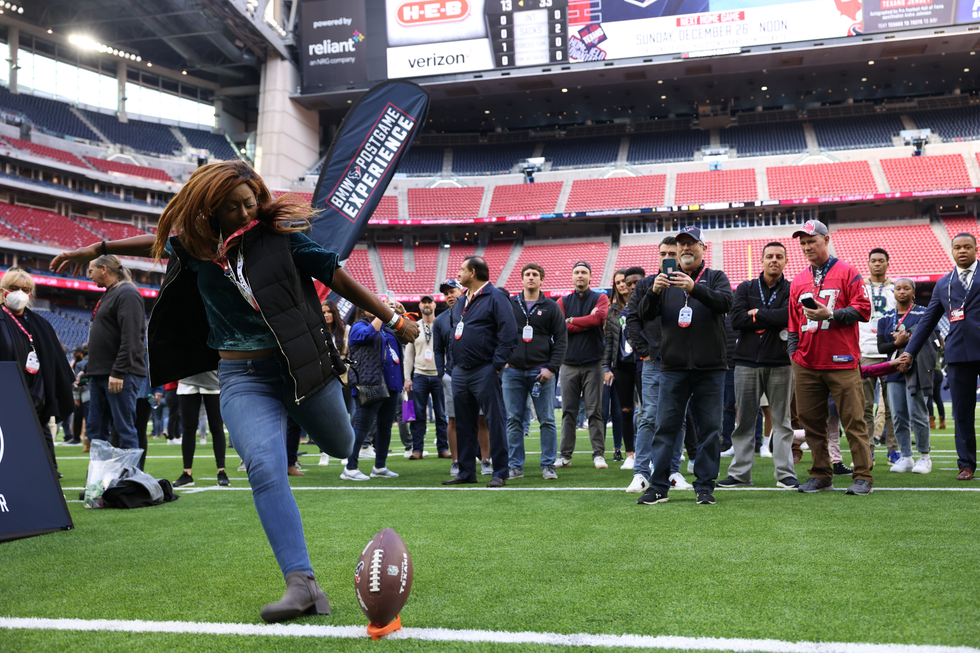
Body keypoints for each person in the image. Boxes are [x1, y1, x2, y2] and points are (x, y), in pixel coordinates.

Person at [50, 160, 419, 623]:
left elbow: (337, 277)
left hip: (300, 370)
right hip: (242, 378)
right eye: (233, 208)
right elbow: (159, 241)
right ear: (211, 211)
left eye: (250, 202)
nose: (246, 213)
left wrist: (394, 318)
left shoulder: (279, 237)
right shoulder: (197, 247)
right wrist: (99, 248)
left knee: (343, 444)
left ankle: (304, 426)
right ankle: (302, 584)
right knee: (264, 466)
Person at [633, 226, 732, 506]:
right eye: (682, 245)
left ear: (703, 247)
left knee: (710, 429)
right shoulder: (663, 282)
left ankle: (704, 486)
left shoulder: (715, 277)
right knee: (666, 427)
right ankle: (659, 486)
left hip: (710, 368)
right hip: (674, 367)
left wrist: (695, 288)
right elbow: (643, 314)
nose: (686, 248)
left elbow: (726, 302)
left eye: (692, 244)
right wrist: (652, 292)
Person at [787, 220, 874, 496]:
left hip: (842, 361)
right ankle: (821, 474)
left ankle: (863, 475)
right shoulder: (799, 280)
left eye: (811, 240)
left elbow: (863, 310)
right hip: (807, 362)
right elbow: (792, 325)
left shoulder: (847, 272)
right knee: (811, 424)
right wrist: (794, 356)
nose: (807, 246)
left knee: (854, 421)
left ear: (826, 239)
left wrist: (832, 315)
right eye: (802, 242)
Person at [900, 233, 980, 480]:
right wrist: (909, 351)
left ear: (976, 249)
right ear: (952, 251)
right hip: (958, 354)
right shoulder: (944, 283)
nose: (962, 251)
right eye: (957, 247)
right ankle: (966, 464)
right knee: (962, 411)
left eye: (967, 247)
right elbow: (926, 323)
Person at [720, 242, 799, 489]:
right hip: (745, 362)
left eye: (779, 256)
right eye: (769, 256)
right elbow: (738, 320)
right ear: (762, 260)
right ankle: (740, 474)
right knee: (743, 420)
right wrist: (770, 315)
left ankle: (785, 474)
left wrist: (759, 313)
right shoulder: (746, 287)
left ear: (785, 261)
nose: (774, 260)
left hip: (780, 362)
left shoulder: (792, 288)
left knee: (782, 421)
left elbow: (790, 316)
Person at [442, 256, 518, 488]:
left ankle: (500, 472)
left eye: (462, 269)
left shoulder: (496, 297)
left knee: (494, 421)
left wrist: (495, 365)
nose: (459, 273)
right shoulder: (462, 300)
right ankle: (466, 471)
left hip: (485, 369)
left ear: (473, 273)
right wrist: (454, 362)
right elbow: (456, 331)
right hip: (461, 371)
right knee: (464, 422)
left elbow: (509, 333)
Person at [626, 236, 694, 494]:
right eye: (663, 253)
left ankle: (672, 471)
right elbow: (632, 320)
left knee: (679, 418)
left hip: (682, 360)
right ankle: (641, 472)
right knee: (649, 415)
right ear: (658, 256)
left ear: (678, 255)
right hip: (655, 360)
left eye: (671, 252)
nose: (667, 257)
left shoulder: (687, 284)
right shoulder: (645, 284)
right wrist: (646, 352)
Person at [0, 268, 74, 476]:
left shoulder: (40, 323)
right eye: (14, 288)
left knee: (40, 428)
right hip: (7, 389)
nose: (20, 293)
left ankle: (48, 469)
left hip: (37, 389)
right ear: (3, 290)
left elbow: (54, 359)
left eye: (25, 289)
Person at [503, 263, 567, 480]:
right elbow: (497, 333)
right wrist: (502, 361)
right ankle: (515, 466)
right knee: (513, 420)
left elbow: (561, 340)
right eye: (527, 274)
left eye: (535, 275)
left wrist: (551, 368)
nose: (531, 278)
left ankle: (548, 465)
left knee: (547, 419)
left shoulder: (551, 307)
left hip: (541, 373)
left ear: (542, 280)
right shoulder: (509, 304)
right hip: (512, 372)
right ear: (522, 279)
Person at [85, 255, 147, 453]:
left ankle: (130, 479)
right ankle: (99, 479)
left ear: (104, 269)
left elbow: (131, 337)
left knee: (123, 430)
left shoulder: (127, 293)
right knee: (96, 430)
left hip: (119, 375)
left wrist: (119, 371)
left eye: (91, 269)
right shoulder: (110, 293)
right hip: (101, 373)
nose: (89, 274)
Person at [876, 278, 934, 474]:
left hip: (915, 370)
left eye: (906, 288)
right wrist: (896, 343)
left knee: (917, 414)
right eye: (898, 288)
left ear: (913, 292)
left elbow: (927, 338)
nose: (902, 291)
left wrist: (906, 342)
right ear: (893, 293)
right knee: (898, 416)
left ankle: (925, 457)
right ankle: (906, 456)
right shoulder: (885, 317)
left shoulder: (923, 313)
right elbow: (881, 347)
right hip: (893, 370)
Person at [556, 261, 610, 469]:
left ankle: (598, 454)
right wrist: (584, 322)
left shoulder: (600, 297)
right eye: (577, 272)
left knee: (594, 411)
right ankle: (565, 455)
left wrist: (572, 321)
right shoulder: (563, 300)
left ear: (590, 276)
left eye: (584, 272)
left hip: (593, 363)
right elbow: (560, 328)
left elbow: (599, 319)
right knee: (568, 411)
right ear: (572, 276)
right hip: (568, 363)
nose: (580, 275)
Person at [342, 306, 402, 481]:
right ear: (361, 309)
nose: (375, 309)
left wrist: (400, 315)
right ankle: (350, 467)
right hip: (369, 382)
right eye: (370, 305)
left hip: (392, 382)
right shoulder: (358, 326)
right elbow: (368, 335)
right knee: (362, 425)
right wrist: (384, 314)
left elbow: (408, 336)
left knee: (385, 426)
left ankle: (380, 466)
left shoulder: (387, 327)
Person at [603, 266, 645, 471]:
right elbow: (609, 341)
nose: (622, 285)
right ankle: (630, 454)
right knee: (626, 410)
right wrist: (606, 366)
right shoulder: (613, 310)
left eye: (625, 282)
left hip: (642, 362)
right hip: (621, 365)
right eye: (618, 282)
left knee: (648, 409)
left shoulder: (645, 303)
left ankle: (654, 451)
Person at [861, 248, 898, 463]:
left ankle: (893, 450)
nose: (877, 264)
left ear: (887, 263)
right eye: (873, 261)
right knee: (865, 406)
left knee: (891, 406)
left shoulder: (895, 289)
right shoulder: (859, 289)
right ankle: (868, 450)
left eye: (881, 261)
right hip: (865, 352)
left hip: (889, 353)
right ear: (868, 264)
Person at [404, 295, 449, 459]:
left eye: (430, 302)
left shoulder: (443, 324)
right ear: (420, 306)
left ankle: (443, 448)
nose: (427, 304)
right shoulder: (414, 326)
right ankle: (417, 449)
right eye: (424, 302)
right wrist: (407, 377)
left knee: (442, 414)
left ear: (435, 305)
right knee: (417, 414)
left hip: (440, 376)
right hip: (419, 376)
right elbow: (408, 354)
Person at [171, 371, 228, 487]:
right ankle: (187, 473)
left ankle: (221, 471)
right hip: (187, 382)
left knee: (216, 427)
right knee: (188, 429)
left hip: (213, 381)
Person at [318, 299, 351, 466]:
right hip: (323, 380)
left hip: (343, 379)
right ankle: (324, 452)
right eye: (323, 312)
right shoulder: (317, 331)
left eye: (329, 312)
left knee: (343, 416)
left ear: (335, 313)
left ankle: (345, 452)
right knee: (324, 418)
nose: (326, 315)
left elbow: (351, 356)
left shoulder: (346, 330)